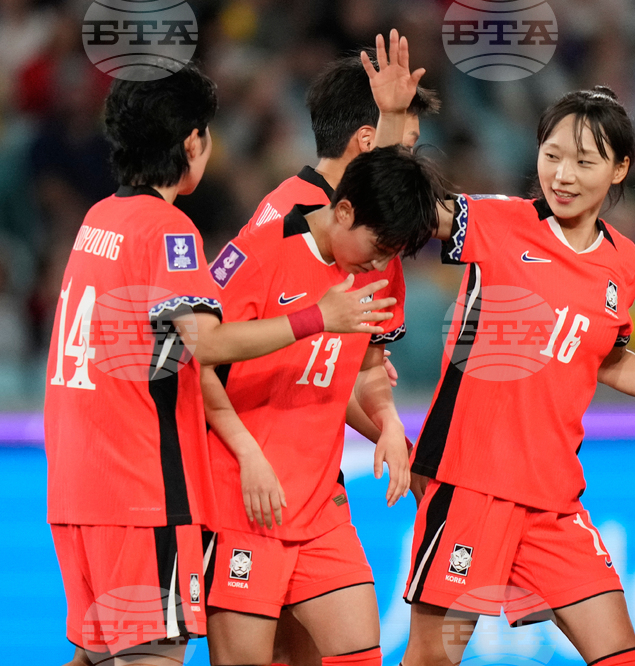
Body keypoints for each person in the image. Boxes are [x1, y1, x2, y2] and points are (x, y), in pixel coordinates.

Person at [46, 64, 398, 666]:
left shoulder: (98, 219)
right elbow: (206, 344)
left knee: (100, 654)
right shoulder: (169, 232)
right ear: (191, 143)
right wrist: (319, 318)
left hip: (78, 487)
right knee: (150, 656)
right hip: (142, 493)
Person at [402, 86, 635, 666]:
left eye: (585, 161)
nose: (563, 175)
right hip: (472, 483)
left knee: (620, 655)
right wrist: (396, 123)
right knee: (432, 660)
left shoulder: (624, 261)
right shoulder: (497, 221)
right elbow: (404, 206)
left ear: (620, 169)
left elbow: (609, 358)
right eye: (552, 155)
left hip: (553, 498)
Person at [201, 35, 448, 666]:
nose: (406, 160)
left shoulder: (376, 254)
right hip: (243, 494)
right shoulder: (278, 226)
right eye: (401, 144)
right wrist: (316, 319)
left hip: (318, 495)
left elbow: (353, 367)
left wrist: (388, 425)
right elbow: (201, 352)